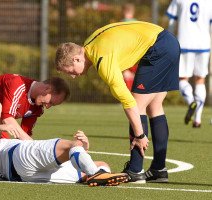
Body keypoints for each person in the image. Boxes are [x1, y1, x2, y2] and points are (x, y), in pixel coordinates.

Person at [55, 21, 180, 183]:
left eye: (69, 70)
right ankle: (158, 170)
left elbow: (128, 102)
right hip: (167, 41)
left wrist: (139, 135)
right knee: (154, 107)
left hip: (158, 47)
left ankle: (135, 170)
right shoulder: (89, 45)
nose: (72, 76)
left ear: (77, 59)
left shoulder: (103, 61)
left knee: (138, 104)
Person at [0, 74, 70, 178]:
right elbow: (7, 118)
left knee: (8, 165)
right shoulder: (17, 83)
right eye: (51, 102)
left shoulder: (37, 108)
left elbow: (23, 136)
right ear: (47, 89)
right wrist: (37, 147)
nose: (48, 106)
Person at [0, 124, 128, 186]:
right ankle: (96, 174)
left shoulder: (73, 173)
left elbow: (78, 157)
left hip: (26, 174)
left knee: (103, 165)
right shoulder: (2, 144)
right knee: (70, 146)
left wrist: (84, 147)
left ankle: (96, 175)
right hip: (20, 157)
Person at [166, 0, 212, 128]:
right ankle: (197, 119)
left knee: (181, 79)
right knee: (200, 80)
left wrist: (169, 40)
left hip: (184, 43)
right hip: (204, 45)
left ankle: (191, 101)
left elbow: (171, 22)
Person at [120, 2, 138, 90]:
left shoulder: (122, 23)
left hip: (129, 52)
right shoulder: (137, 23)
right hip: (134, 52)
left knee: (127, 74)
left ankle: (129, 97)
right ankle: (133, 97)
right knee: (130, 75)